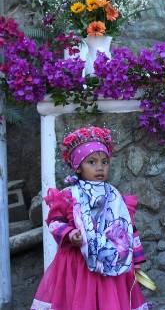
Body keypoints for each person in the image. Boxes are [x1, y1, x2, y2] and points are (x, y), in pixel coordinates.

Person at [31, 126, 148, 310]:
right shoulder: (68, 195)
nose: (100, 167)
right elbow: (54, 223)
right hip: (78, 264)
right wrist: (70, 233)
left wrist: (136, 259)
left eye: (105, 162)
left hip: (110, 262)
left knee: (110, 302)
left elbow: (128, 229)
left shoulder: (116, 198)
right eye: (91, 162)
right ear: (78, 167)